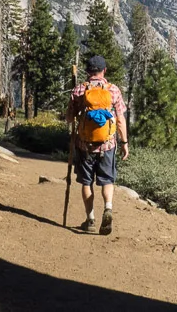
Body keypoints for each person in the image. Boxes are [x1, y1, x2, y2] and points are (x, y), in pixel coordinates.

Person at [66, 54, 129, 235]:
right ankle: (108, 207)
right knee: (107, 180)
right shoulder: (113, 90)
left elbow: (69, 118)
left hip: (84, 145)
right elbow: (120, 120)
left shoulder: (80, 90)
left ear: (88, 71)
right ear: (104, 71)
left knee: (87, 182)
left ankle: (90, 219)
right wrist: (124, 142)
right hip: (107, 145)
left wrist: (75, 111)